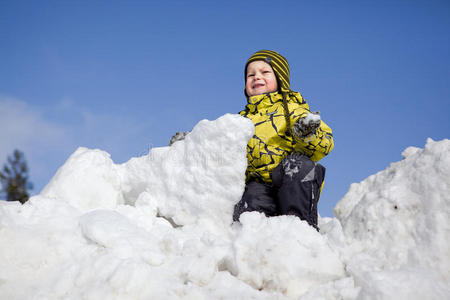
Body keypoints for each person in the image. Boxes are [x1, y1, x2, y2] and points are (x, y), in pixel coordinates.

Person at [170, 50, 334, 229]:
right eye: (251, 74)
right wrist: (190, 142)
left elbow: (325, 144)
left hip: (290, 180)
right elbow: (216, 141)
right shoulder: (239, 120)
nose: (257, 77)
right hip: (257, 184)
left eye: (265, 72)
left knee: (298, 165)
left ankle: (300, 230)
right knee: (250, 198)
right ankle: (253, 241)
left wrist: (307, 133)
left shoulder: (295, 110)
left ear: (280, 79)